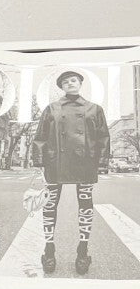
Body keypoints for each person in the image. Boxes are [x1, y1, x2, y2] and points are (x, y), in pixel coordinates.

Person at [32, 69, 111, 276]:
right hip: (54, 163)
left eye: (73, 80)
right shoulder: (51, 108)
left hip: (85, 163)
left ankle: (82, 251)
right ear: (62, 87)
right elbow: (40, 136)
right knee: (49, 205)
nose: (70, 83)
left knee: (85, 205)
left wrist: (101, 162)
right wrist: (39, 161)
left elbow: (103, 137)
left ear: (80, 83)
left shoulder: (95, 109)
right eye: (65, 82)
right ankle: (49, 250)